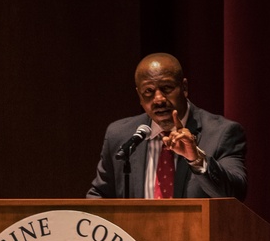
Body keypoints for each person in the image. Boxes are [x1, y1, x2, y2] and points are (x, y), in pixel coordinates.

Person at [86, 53, 247, 200]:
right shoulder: (121, 136)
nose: (158, 99)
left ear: (184, 88)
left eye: (167, 88)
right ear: (139, 97)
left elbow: (235, 196)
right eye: (148, 91)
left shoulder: (222, 133)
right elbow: (99, 196)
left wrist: (196, 159)